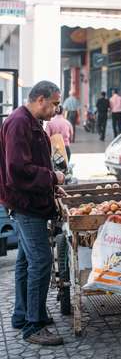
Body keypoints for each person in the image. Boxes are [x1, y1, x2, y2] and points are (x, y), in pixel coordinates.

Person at [0, 81, 66, 345]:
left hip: (32, 200)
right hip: (26, 205)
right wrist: (53, 178)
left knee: (26, 261)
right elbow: (18, 169)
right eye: (55, 104)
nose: (56, 110)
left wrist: (51, 188)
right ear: (41, 99)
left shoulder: (31, 121)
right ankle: (33, 326)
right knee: (41, 261)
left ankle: (21, 314)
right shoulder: (19, 122)